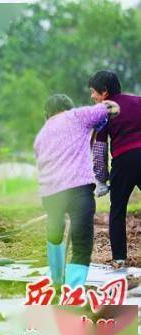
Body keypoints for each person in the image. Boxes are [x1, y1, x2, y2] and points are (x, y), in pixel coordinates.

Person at [34, 94, 119, 289]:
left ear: (47, 115)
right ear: (68, 107)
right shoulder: (77, 116)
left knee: (54, 234)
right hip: (78, 189)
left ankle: (55, 281)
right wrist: (103, 118)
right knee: (81, 243)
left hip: (51, 194)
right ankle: (72, 290)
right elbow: (111, 107)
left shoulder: (41, 136)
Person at [89, 71, 141, 268]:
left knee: (117, 211)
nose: (92, 97)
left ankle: (119, 259)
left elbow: (100, 148)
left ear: (104, 92)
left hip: (123, 161)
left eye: (93, 92)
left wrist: (101, 179)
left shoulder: (103, 111)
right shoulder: (138, 101)